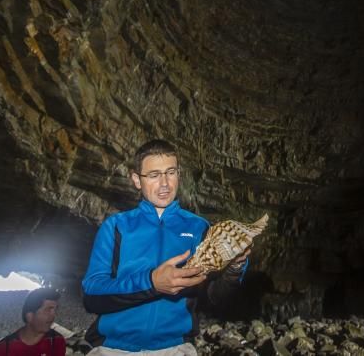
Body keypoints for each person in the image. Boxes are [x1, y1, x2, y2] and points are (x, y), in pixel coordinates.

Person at [82, 139, 249, 355]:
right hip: (113, 348)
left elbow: (213, 297)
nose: (165, 184)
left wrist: (235, 268)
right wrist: (152, 282)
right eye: (153, 175)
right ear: (136, 180)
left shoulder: (199, 228)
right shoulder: (116, 226)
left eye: (171, 172)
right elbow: (92, 296)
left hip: (175, 348)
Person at [0, 287, 66, 356]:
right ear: (30, 316)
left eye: (55, 310)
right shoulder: (3, 349)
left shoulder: (56, 341)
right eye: (48, 310)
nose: (53, 315)